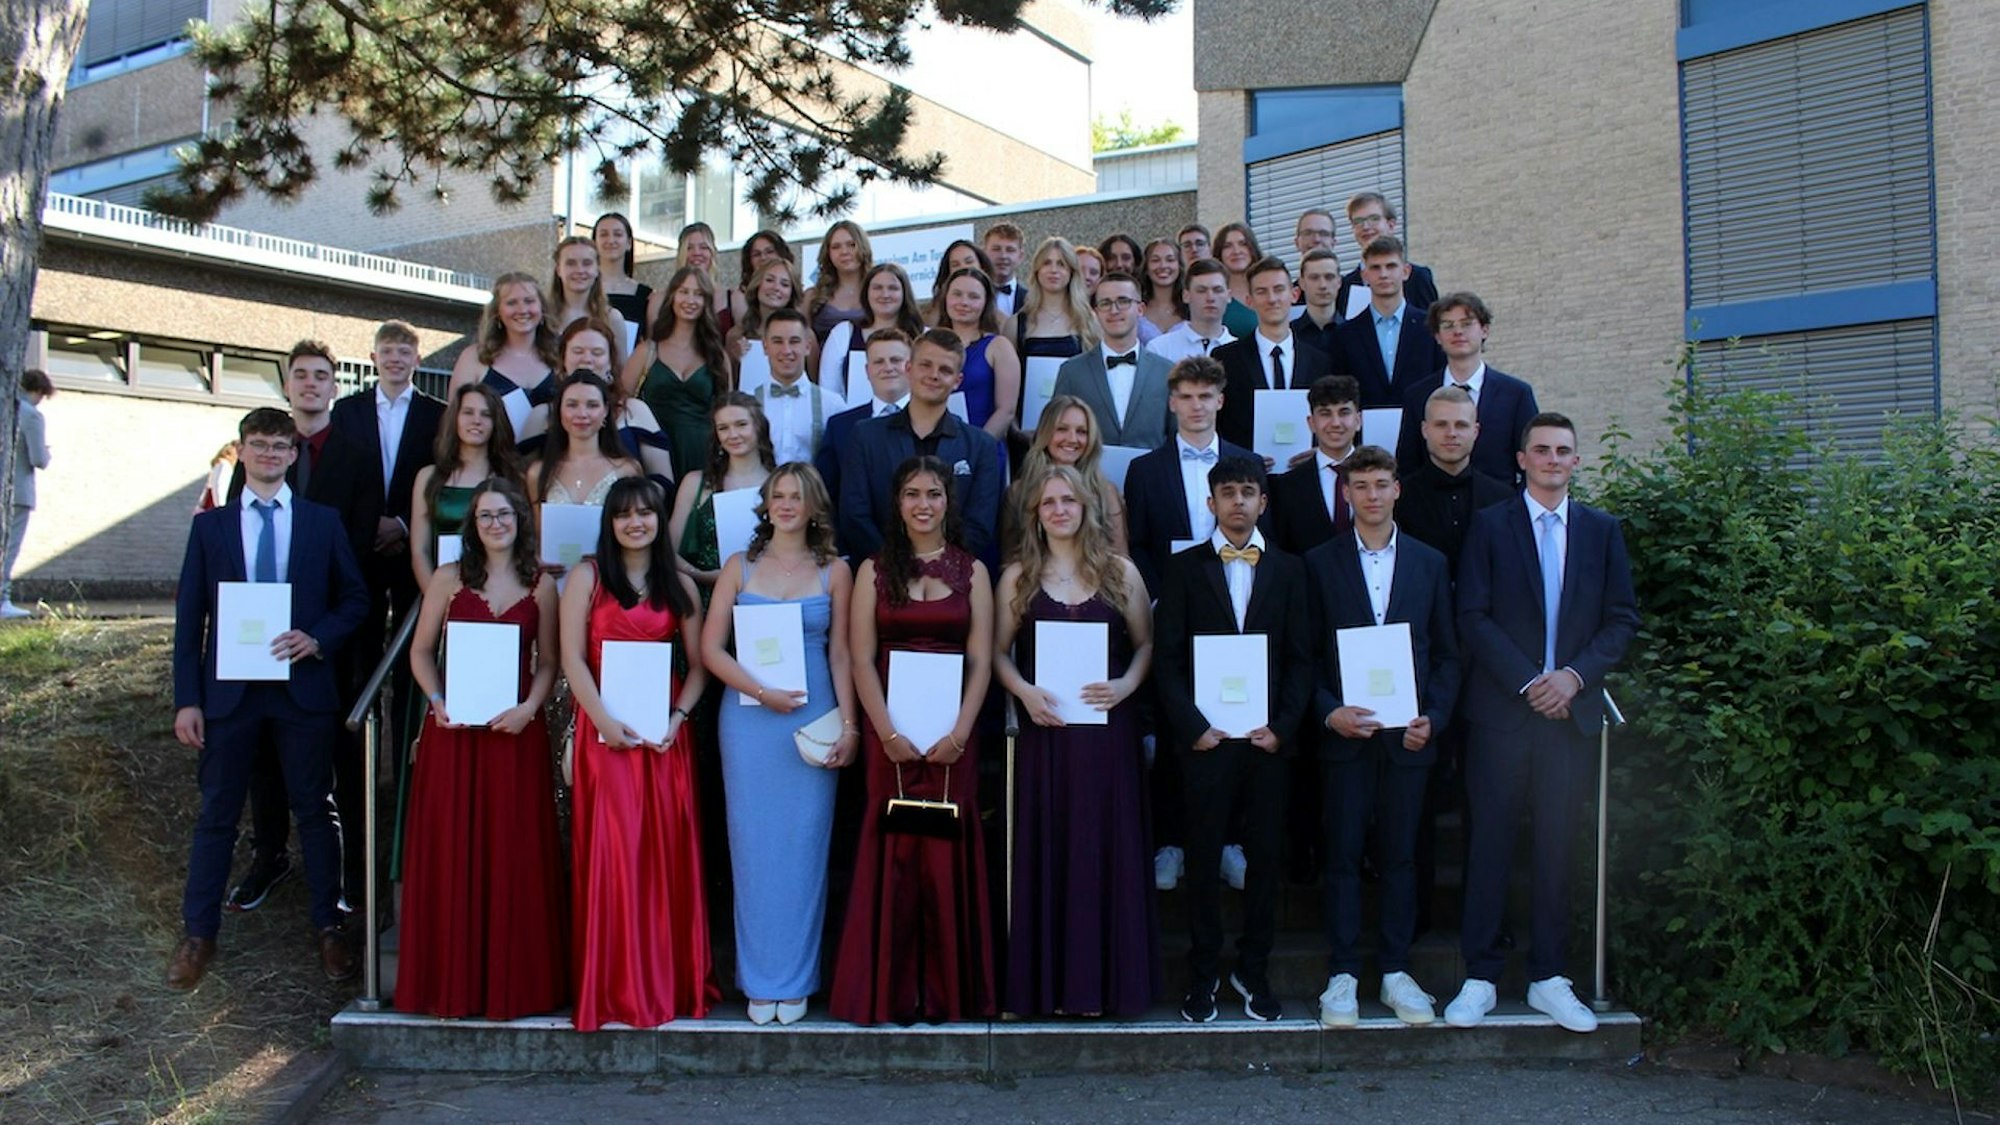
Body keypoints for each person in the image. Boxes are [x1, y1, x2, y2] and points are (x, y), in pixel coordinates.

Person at [1445, 413, 1639, 1034]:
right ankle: (1480, 976)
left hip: (1570, 715)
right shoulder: (1490, 525)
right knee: (1490, 843)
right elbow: (1472, 614)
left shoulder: (1602, 531)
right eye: (1542, 450)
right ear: (1521, 459)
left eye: (1563, 451)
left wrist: (1573, 677)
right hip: (1503, 712)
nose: (1553, 459)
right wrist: (1530, 681)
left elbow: (1621, 619)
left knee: (1559, 845)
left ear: (1576, 461)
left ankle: (1549, 977)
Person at [167, 407, 369, 990]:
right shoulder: (211, 528)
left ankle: (329, 926)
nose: (270, 455)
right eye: (259, 445)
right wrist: (187, 699)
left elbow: (355, 599)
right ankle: (198, 934)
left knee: (316, 809)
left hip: (301, 689)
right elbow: (190, 620)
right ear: (243, 451)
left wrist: (318, 637)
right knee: (217, 814)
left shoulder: (321, 523)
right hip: (229, 695)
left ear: (292, 454)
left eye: (280, 446)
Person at [831, 455, 997, 1025]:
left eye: (933, 494)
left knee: (945, 852)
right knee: (897, 852)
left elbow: (981, 660)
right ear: (897, 503)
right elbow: (860, 657)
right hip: (891, 739)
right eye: (912, 494)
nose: (923, 504)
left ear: (948, 502)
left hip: (954, 740)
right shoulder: (873, 570)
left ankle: (946, 992)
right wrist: (886, 732)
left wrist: (961, 733)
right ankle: (893, 991)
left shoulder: (973, 571)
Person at [1152, 453, 1314, 1023]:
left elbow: (1301, 659)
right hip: (1207, 741)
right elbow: (1167, 660)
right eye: (1228, 492)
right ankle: (1203, 974)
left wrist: (1284, 727)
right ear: (1211, 502)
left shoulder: (1290, 570)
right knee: (1202, 859)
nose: (1238, 502)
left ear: (1263, 502)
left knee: (1265, 859)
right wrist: (1194, 727)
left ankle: (1254, 968)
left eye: (1248, 492)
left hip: (1268, 741)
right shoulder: (1183, 569)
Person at [397, 479, 568, 1018]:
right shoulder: (449, 578)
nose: (496, 524)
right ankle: (452, 983)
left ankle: (512, 987)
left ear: (521, 520)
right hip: (454, 734)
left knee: (513, 853)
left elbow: (549, 661)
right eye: (485, 516)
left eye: (505, 514)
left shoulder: (541, 585)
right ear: (472, 524)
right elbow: (421, 652)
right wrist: (436, 701)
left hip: (515, 734)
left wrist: (529, 708)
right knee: (453, 850)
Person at [1302, 446, 1459, 1029]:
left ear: (1398, 490)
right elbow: (1304, 656)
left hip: (1409, 737)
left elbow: (1446, 654)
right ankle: (1343, 972)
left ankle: (1395, 968)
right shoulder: (1318, 563)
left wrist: (1434, 717)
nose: (1372, 495)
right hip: (1346, 735)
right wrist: (1328, 712)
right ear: (1346, 494)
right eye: (1361, 485)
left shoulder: (1429, 562)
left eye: (1381, 484)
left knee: (1401, 856)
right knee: (1342, 855)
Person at [995, 465, 1159, 1018]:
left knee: (1102, 851)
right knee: (1054, 850)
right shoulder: (1018, 576)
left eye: (1068, 500)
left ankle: (1103, 988)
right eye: (1048, 503)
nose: (1059, 510)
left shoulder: (1120, 572)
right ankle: (1053, 989)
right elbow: (995, 653)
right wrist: (1023, 692)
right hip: (1047, 736)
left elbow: (1146, 645)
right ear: (1035, 515)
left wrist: (1126, 685)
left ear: (1087, 507)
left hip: (1108, 739)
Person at [700, 464, 859, 1025]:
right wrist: (761, 691)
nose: (787, 504)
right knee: (752, 853)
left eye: (797, 496)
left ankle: (795, 981)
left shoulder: (836, 570)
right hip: (749, 723)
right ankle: (758, 980)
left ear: (814, 507)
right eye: (778, 496)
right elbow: (710, 649)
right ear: (765, 505)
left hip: (811, 722)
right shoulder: (738, 566)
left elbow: (842, 654)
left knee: (804, 851)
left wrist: (850, 727)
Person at [218, 346, 373, 916]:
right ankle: (269, 855)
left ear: (335, 388)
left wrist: (320, 629)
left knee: (337, 757)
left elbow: (359, 547)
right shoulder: (258, 452)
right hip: (257, 637)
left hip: (331, 637)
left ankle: (347, 878)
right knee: (262, 753)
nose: (311, 384)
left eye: (321, 376)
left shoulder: (357, 457)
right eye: (300, 375)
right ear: (287, 386)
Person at [561, 477, 717, 1030]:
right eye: (624, 514)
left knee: (662, 855)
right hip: (604, 731)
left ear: (658, 520)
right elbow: (571, 659)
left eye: (645, 513)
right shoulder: (587, 577)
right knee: (614, 854)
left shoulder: (679, 584)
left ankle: (664, 980)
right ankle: (612, 985)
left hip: (663, 735)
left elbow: (699, 666)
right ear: (610, 522)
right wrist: (603, 722)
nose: (636, 523)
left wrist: (678, 718)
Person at [837, 329, 1004, 569]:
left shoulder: (981, 445)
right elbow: (854, 516)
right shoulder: (865, 436)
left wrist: (937, 569)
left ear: (957, 381)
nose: (934, 375)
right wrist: (897, 567)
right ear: (909, 368)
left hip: (952, 579)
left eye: (945, 370)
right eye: (925, 365)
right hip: (881, 575)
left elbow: (979, 525)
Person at [333, 326, 447, 663]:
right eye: (387, 351)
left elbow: (442, 475)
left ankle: (405, 700)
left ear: (418, 359)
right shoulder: (346, 411)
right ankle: (364, 700)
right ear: (373, 357)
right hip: (362, 544)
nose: (395, 359)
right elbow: (342, 478)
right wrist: (371, 525)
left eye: (404, 352)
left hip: (414, 541)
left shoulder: (438, 414)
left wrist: (403, 523)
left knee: (412, 641)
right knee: (362, 640)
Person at [1395, 292, 1541, 487]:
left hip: (1499, 503)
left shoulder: (1516, 395)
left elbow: (1533, 463)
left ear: (1484, 330)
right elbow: (1408, 465)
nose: (1458, 332)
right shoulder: (1417, 395)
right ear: (1437, 336)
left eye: (1466, 324)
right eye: (1448, 325)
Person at [522, 318, 674, 488]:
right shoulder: (542, 415)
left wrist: (636, 500)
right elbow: (523, 480)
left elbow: (662, 480)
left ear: (610, 361)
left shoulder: (634, 410)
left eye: (597, 352)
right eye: (578, 351)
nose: (587, 359)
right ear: (563, 359)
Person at [410, 384, 528, 593]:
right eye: (468, 412)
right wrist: (437, 600)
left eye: (486, 414)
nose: (476, 420)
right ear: (455, 418)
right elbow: (420, 551)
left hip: (499, 596)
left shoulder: (514, 478)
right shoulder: (428, 477)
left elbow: (524, 544)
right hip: (440, 592)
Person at [623, 264, 732, 479]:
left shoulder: (718, 356)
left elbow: (728, 412)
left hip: (702, 455)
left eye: (698, 294)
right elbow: (622, 402)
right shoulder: (648, 351)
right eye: (684, 291)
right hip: (654, 454)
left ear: (707, 302)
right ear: (672, 296)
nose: (690, 300)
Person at [1214, 257, 1333, 452]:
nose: (1272, 299)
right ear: (1249, 301)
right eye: (1262, 292)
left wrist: (1319, 451)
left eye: (1279, 289)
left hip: (1305, 466)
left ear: (1294, 294)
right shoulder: (1226, 359)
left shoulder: (1320, 361)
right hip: (1246, 468)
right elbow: (1220, 423)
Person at [668, 393, 776, 601]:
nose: (733, 434)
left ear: (759, 427)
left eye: (741, 424)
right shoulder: (695, 483)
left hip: (766, 595)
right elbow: (669, 550)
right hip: (704, 596)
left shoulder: (780, 483)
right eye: (723, 428)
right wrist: (699, 575)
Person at [1050, 272, 1172, 451]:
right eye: (1105, 303)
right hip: (1089, 468)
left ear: (1140, 309)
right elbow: (1056, 434)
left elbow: (1175, 436)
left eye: (1123, 301)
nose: (1114, 310)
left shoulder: (1166, 371)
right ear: (1096, 312)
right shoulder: (1072, 371)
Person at [1004, 394, 1127, 560]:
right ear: (1045, 433)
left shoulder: (1106, 492)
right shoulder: (1018, 492)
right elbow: (1009, 558)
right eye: (1062, 429)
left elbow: (1121, 560)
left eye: (1082, 432)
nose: (1072, 439)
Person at [1333, 236, 1445, 409]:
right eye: (1375, 268)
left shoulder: (1431, 327)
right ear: (1365, 275)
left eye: (1391, 266)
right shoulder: (1346, 335)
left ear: (1406, 271)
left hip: (1421, 422)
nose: (1383, 274)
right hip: (1367, 424)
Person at [449, 273, 562, 439]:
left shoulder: (562, 357)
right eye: (511, 303)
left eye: (529, 301)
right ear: (497, 312)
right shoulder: (473, 358)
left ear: (542, 308)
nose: (522, 310)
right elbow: (454, 421)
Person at [1268, 375, 1362, 557]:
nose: (1335, 423)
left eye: (1344, 412)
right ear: (1311, 423)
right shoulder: (1286, 487)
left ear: (1358, 420)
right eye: (1325, 414)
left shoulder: (1380, 480)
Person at [816, 329, 911, 508]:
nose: (888, 368)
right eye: (879, 362)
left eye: (896, 360)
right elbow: (827, 495)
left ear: (911, 367)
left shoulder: (932, 422)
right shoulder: (840, 427)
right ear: (867, 371)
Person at [525, 371, 642, 507]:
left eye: (592, 405)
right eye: (572, 405)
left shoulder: (627, 470)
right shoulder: (538, 473)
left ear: (605, 411)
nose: (582, 414)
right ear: (559, 410)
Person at [933, 266, 1022, 441]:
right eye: (957, 294)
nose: (964, 302)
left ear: (986, 302)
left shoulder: (999, 347)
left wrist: (977, 448)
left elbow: (1006, 411)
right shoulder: (929, 344)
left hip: (984, 445)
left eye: (973, 296)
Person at [752, 306, 846, 465]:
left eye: (794, 341)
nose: (786, 350)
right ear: (765, 347)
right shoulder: (747, 402)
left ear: (807, 347)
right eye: (777, 341)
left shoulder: (832, 404)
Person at [820, 262, 925, 403]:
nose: (885, 294)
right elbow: (829, 391)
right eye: (877, 288)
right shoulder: (844, 333)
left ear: (904, 293)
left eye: (893, 288)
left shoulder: (924, 336)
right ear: (866, 293)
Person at [1337, 193, 1440, 319]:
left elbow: (1432, 325)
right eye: (1358, 221)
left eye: (1374, 219)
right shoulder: (1345, 286)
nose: (1366, 227)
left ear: (1391, 225)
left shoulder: (1418, 278)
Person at [1013, 238, 1098, 388]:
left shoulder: (1088, 320)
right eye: (1046, 263)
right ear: (1037, 270)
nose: (1053, 270)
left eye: (1061, 264)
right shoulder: (1016, 324)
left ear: (1071, 271)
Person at [2, 369, 51, 618]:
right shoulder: (31, 416)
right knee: (8, 548)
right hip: (19, 492)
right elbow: (38, 458)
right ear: (39, 391)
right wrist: (47, 453)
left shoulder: (6, 408)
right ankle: (3, 599)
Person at [546, 235, 631, 365]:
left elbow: (621, 371)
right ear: (558, 269)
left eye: (587, 263)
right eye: (571, 263)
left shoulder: (612, 318)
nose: (580, 270)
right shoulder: (544, 317)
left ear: (597, 269)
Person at [724, 256, 806, 387]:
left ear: (792, 292)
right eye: (769, 280)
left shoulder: (806, 334)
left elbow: (815, 384)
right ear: (757, 284)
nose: (776, 287)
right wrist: (734, 359)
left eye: (785, 284)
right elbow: (727, 386)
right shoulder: (736, 334)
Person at [1146, 257, 1235, 366]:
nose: (1210, 297)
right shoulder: (1159, 349)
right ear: (1186, 296)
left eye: (1217, 290)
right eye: (1201, 291)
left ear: (1229, 296)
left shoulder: (1243, 352)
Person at [807, 220, 872, 348]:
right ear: (828, 253)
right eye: (836, 247)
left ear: (863, 247)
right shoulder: (812, 296)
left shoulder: (878, 292)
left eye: (851, 245)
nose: (844, 252)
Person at [725, 229, 795, 340]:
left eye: (769, 251)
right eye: (757, 254)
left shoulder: (803, 329)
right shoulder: (739, 297)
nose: (763, 257)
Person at [591, 212, 651, 328]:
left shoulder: (645, 295)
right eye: (604, 235)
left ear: (629, 243)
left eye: (617, 234)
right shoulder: (583, 289)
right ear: (594, 243)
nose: (611, 240)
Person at [1212, 222, 1263, 339]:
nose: (1236, 251)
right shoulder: (1213, 295)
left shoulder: (1269, 288)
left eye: (1243, 244)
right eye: (1227, 246)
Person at [1292, 246, 1343, 356]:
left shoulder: (1356, 334)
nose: (1322, 285)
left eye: (1329, 277)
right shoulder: (1288, 336)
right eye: (1314, 278)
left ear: (1339, 282)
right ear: (1301, 283)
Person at [927, 239, 995, 312]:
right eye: (955, 265)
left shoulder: (998, 305)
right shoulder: (936, 311)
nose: (963, 267)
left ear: (982, 265)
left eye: (969, 262)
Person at [1139, 237, 1186, 340]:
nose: (1163, 266)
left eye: (1170, 260)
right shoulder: (1136, 307)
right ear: (1146, 267)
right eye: (1155, 260)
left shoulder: (1191, 306)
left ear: (1179, 266)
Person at [982, 222, 1027, 316]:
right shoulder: (971, 296)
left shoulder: (1031, 301)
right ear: (984, 253)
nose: (1003, 256)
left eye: (1010, 250)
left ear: (1020, 256)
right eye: (996, 249)